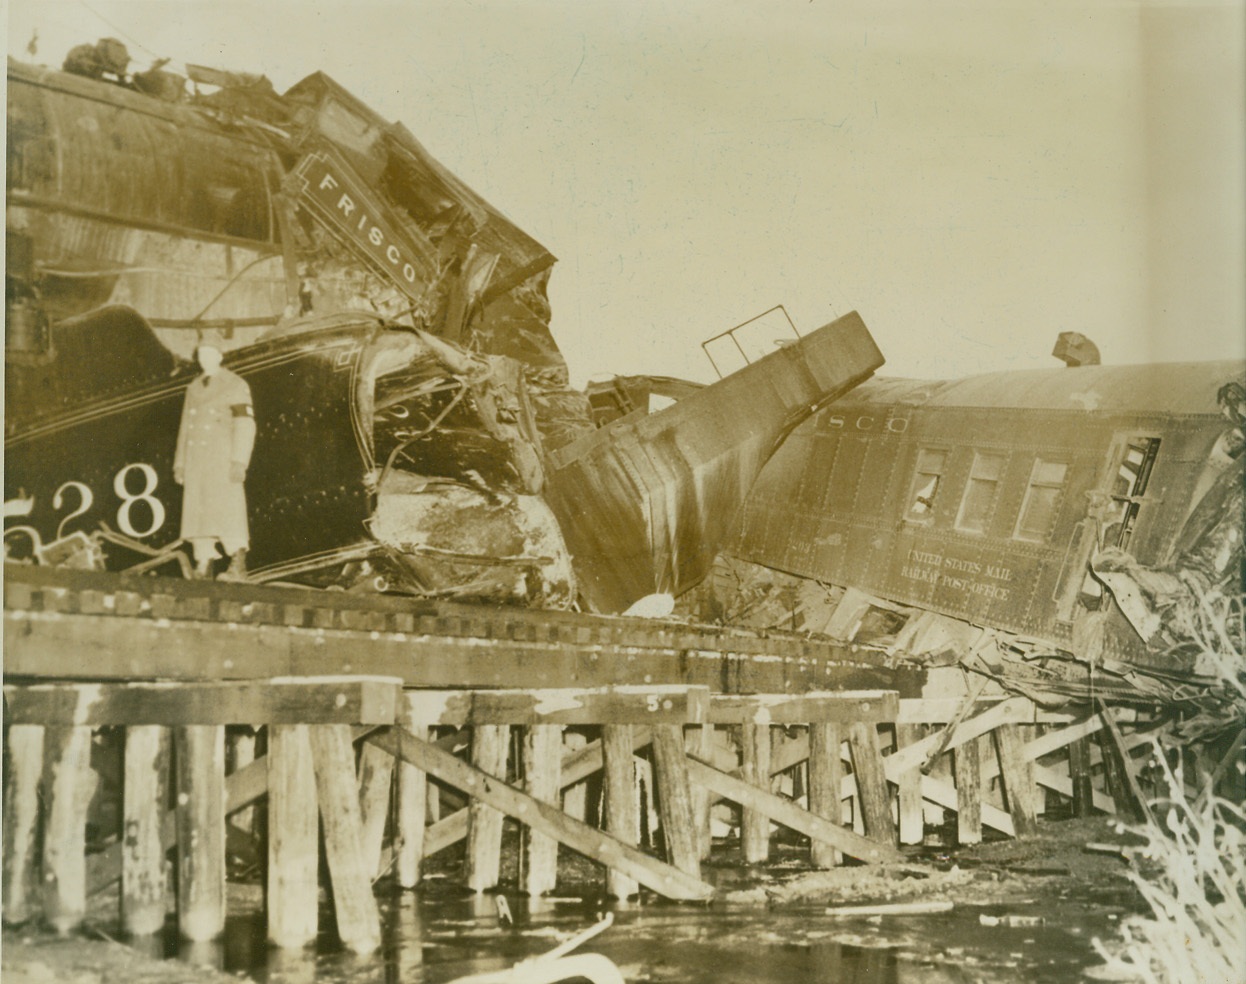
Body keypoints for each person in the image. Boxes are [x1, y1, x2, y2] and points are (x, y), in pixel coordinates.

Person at [174, 342, 255, 578]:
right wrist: (180, 464)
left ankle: (237, 562)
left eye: (209, 354)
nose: (204, 359)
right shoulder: (193, 388)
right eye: (201, 355)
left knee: (228, 510)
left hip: (221, 459)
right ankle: (203, 562)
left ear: (220, 356)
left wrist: (239, 460)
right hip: (196, 462)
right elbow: (185, 428)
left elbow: (245, 424)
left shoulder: (235, 384)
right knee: (198, 514)